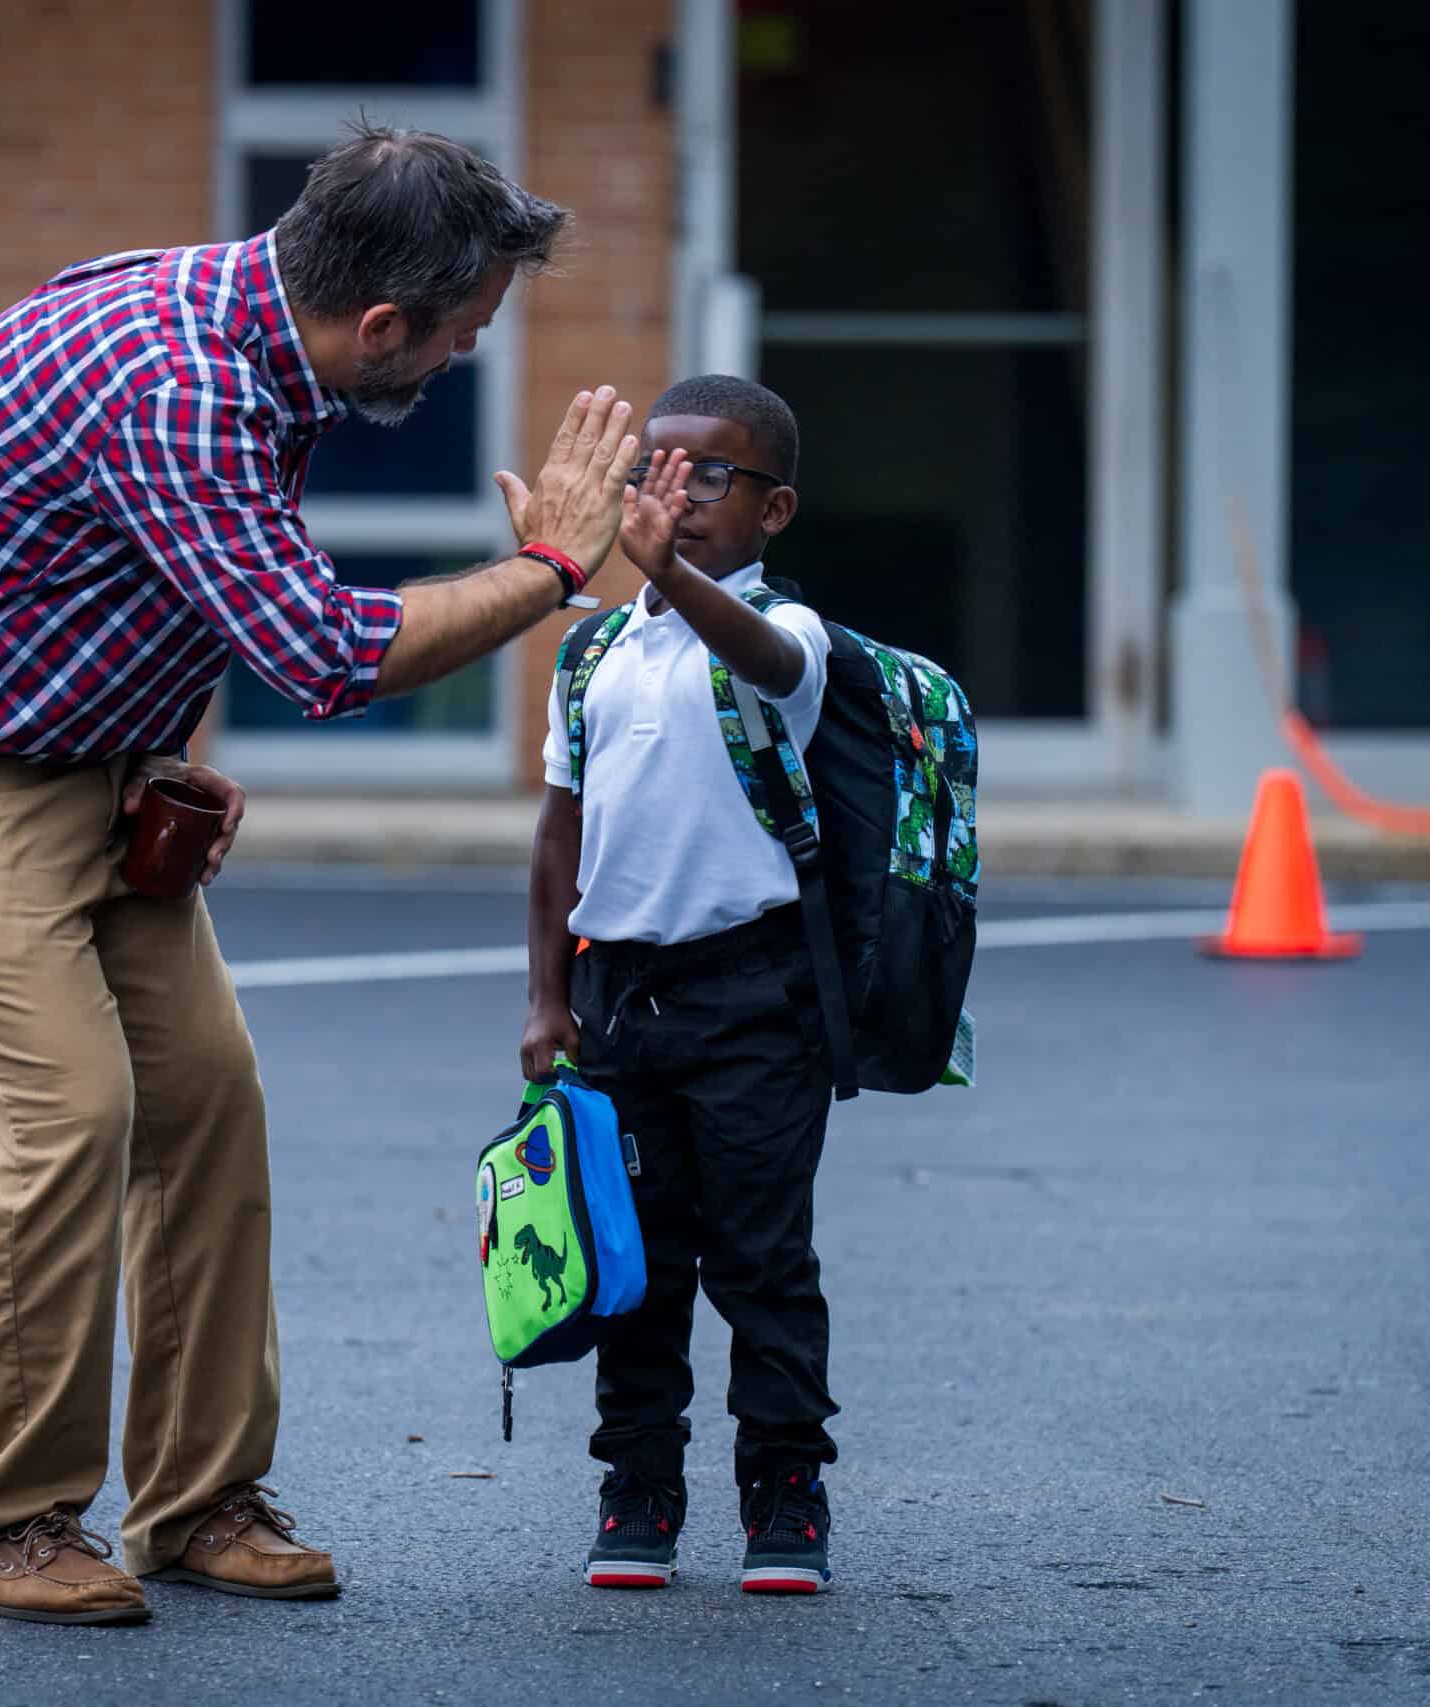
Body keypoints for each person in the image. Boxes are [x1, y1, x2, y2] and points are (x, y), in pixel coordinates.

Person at [0, 125, 645, 1627]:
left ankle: (197, 1498)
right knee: (70, 1118)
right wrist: (557, 572)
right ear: (380, 323)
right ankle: (7, 1522)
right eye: (455, 340)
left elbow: (151, 562)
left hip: (84, 768)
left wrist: (155, 738)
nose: (457, 365)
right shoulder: (177, 380)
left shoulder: (240, 327)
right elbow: (323, 652)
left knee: (202, 1101)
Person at [518, 374, 843, 1595]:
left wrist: (670, 574)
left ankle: (786, 1497)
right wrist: (548, 1001)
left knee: (760, 1258)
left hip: (757, 1000)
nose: (674, 495)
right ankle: (637, 1489)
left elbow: (753, 650)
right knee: (629, 1262)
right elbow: (560, 835)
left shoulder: (793, 641)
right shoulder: (594, 647)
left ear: (775, 509)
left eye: (710, 476)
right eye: (652, 471)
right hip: (619, 1002)